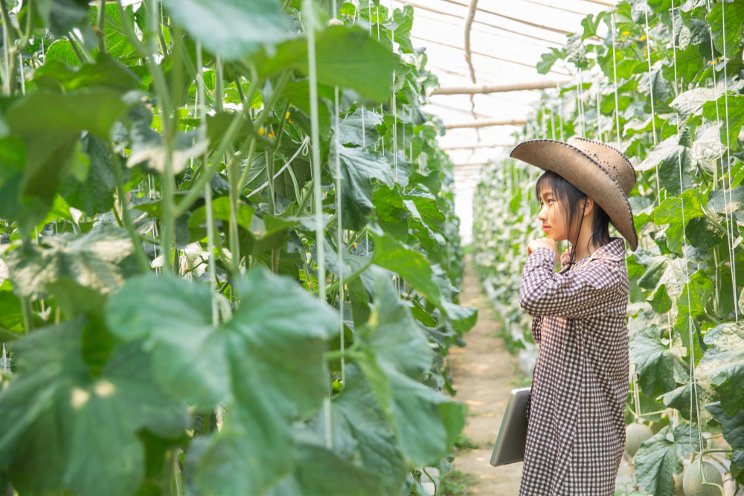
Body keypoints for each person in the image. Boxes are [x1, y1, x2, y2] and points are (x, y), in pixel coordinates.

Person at [509, 137, 638, 495]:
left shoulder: (606, 272)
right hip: (554, 427)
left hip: (583, 439)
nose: (541, 213)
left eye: (550, 201)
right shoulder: (574, 267)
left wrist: (542, 255)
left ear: (586, 205)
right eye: (542, 202)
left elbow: (534, 295)